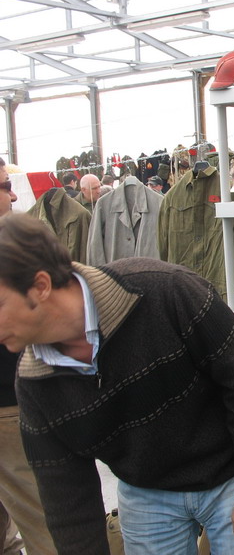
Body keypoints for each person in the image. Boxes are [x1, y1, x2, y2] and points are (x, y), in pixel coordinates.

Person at [0, 213, 234, 555]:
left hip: (229, 478)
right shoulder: (34, 383)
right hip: (146, 496)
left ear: (41, 286)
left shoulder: (165, 290)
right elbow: (68, 505)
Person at [0, 158, 58, 555]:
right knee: (48, 526)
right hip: (11, 405)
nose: (14, 195)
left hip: (16, 401)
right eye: (5, 186)